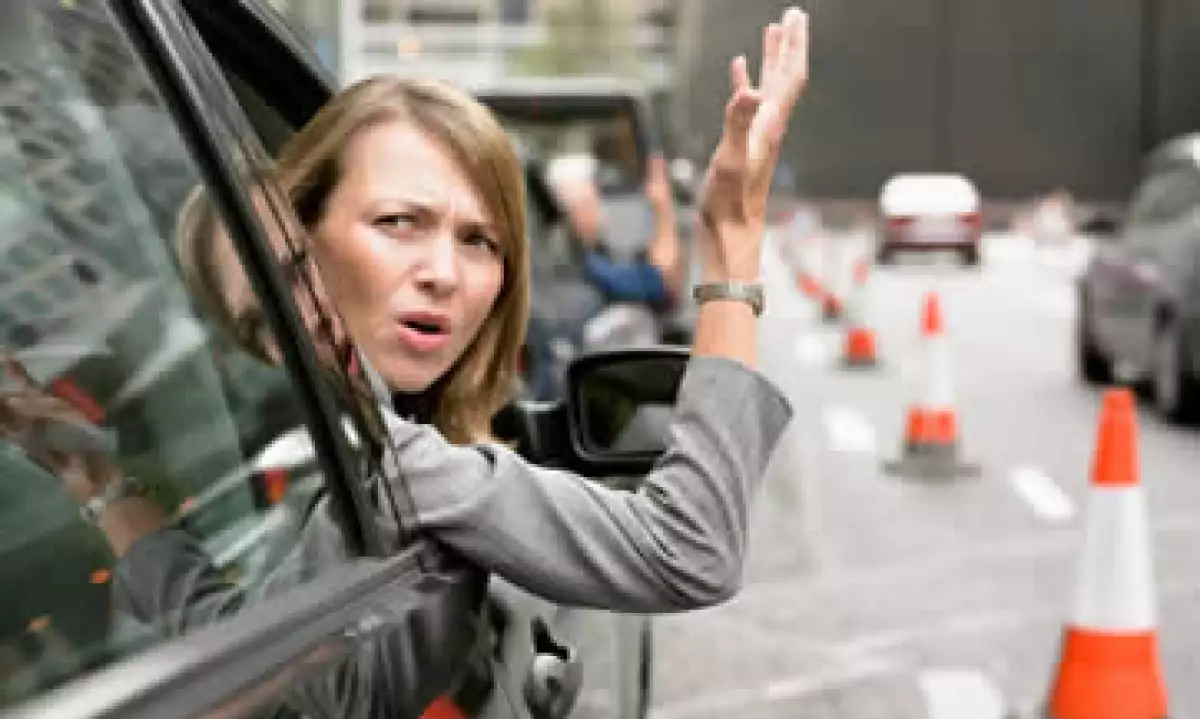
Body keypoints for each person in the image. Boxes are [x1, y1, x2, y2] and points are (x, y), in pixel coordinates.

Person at [0, 6, 810, 716]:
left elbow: (688, 546)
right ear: (300, 252)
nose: (444, 273)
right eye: (398, 222)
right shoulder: (372, 459)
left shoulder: (410, 467)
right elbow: (230, 633)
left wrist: (731, 245)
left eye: (479, 240)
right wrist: (93, 478)